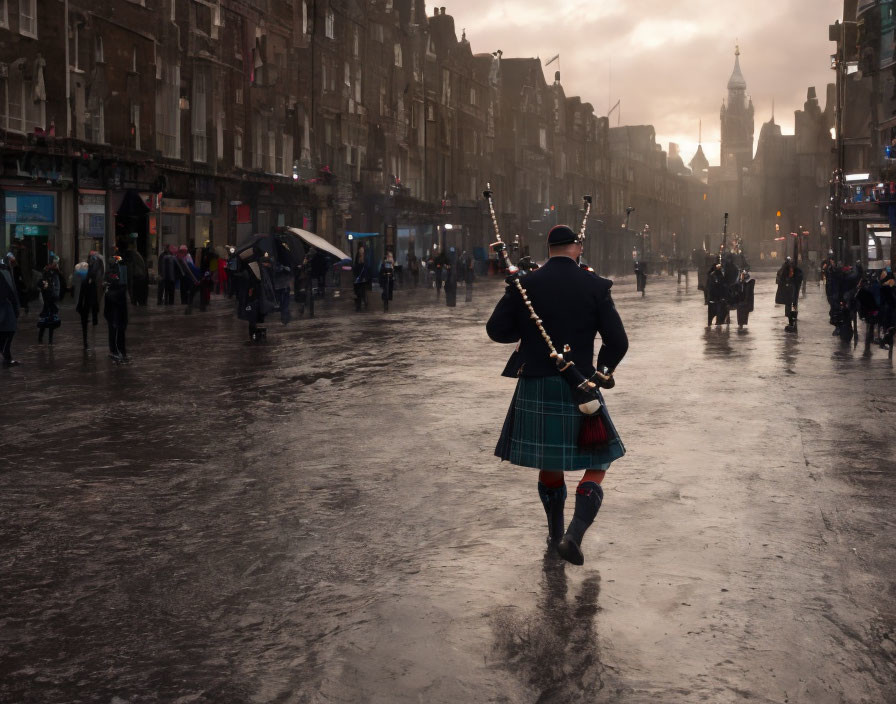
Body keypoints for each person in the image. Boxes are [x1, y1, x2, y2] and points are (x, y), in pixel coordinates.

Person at [487, 224, 629, 566]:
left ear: (548, 249)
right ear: (576, 248)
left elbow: (497, 331)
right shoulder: (595, 285)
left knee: (549, 462)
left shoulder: (526, 285)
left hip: (536, 383)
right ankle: (574, 535)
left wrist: (514, 299)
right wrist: (601, 373)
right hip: (578, 385)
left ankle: (554, 532)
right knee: (599, 460)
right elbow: (618, 342)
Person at [103, 256, 129, 362]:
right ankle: (118, 351)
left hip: (115, 306)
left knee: (115, 329)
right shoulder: (115, 274)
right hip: (116, 307)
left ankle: (116, 351)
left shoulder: (113, 273)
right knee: (117, 330)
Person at [36, 254, 63, 345]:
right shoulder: (45, 272)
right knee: (44, 321)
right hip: (46, 299)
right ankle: (40, 338)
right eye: (55, 263)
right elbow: (42, 284)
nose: (56, 265)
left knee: (52, 321)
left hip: (52, 299)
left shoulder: (54, 272)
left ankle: (50, 340)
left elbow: (59, 283)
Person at [0, 252, 21, 367]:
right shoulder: (5, 272)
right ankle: (6, 356)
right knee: (9, 330)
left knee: (7, 330)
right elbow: (10, 291)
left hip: (6, 305)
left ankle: (7, 356)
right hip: (5, 306)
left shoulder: (6, 271)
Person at [775, 256, 803, 332]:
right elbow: (780, 278)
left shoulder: (795, 270)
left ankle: (793, 318)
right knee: (789, 305)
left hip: (792, 289)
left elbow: (799, 276)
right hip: (788, 290)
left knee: (793, 304)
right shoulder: (785, 269)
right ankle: (791, 320)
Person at [124, 234, 148, 306]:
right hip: (137, 277)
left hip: (136, 277)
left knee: (135, 293)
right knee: (136, 293)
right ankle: (136, 301)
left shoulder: (134, 254)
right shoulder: (134, 254)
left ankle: (135, 301)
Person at [705, 262, 729, 327]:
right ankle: (717, 322)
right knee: (717, 310)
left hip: (716, 297)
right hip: (716, 297)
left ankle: (717, 322)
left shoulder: (715, 275)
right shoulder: (714, 275)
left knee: (717, 310)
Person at [353, 244, 370, 312]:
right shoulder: (357, 258)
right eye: (360, 250)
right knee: (358, 293)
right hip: (358, 278)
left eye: (362, 251)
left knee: (362, 292)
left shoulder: (365, 259)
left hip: (363, 278)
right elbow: (355, 268)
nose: (361, 252)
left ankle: (363, 303)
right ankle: (359, 306)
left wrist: (365, 277)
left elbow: (367, 268)